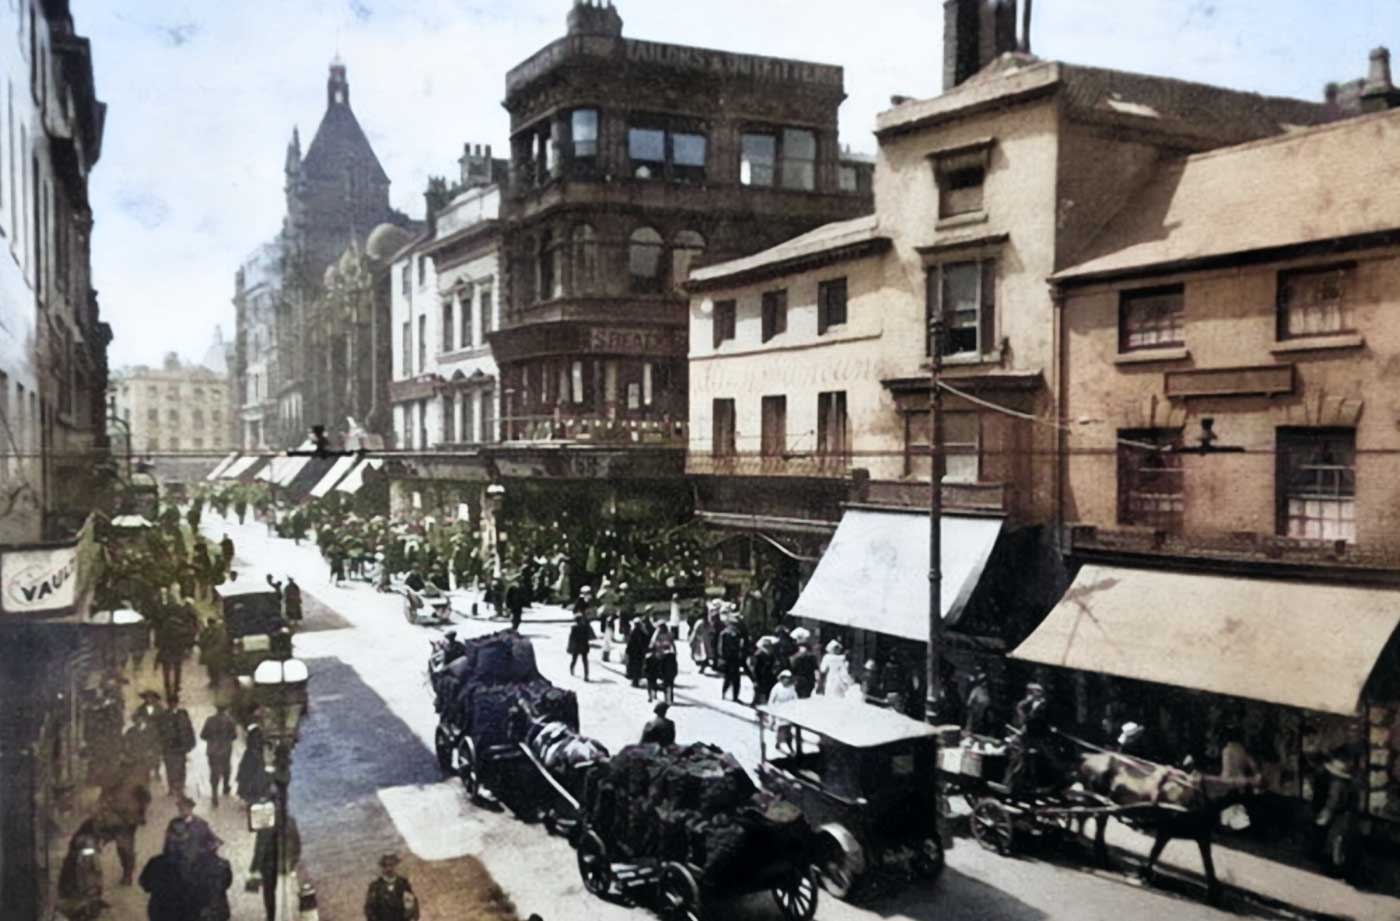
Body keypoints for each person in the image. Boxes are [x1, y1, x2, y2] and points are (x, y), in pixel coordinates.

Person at [163, 795, 219, 870]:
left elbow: (213, 840)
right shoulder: (174, 823)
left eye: (185, 808)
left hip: (198, 862)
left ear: (191, 809)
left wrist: (204, 851)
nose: (182, 811)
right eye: (180, 809)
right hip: (178, 862)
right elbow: (168, 843)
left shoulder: (201, 823)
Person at [201, 704, 238, 808]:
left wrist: (212, 739)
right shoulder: (230, 721)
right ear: (225, 709)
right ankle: (225, 787)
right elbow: (234, 736)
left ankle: (214, 793)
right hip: (225, 750)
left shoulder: (209, 720)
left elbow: (203, 735)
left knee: (214, 772)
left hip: (212, 750)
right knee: (226, 769)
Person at [158, 695, 196, 798]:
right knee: (170, 767)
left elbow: (189, 728)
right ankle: (171, 787)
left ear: (177, 704)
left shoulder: (183, 714)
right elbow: (160, 731)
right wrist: (160, 745)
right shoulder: (163, 715)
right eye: (170, 703)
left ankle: (180, 787)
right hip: (168, 745)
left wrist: (191, 742)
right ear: (168, 704)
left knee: (181, 767)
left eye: (174, 703)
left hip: (180, 745)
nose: (172, 705)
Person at [188, 838, 233, 921]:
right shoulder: (223, 863)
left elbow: (192, 883)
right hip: (219, 903)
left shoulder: (195, 864)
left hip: (202, 904)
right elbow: (228, 882)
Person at [364, 853, 419, 921]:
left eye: (392, 865)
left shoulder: (403, 884)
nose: (389, 868)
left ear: (396, 866)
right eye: (386, 865)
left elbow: (412, 906)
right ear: (382, 867)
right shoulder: (375, 886)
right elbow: (369, 909)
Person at [139, 850, 190, 921]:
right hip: (186, 912)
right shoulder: (197, 866)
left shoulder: (157, 861)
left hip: (159, 911)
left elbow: (145, 885)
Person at [236, 707, 270, 804]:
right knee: (253, 773)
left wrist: (265, 742)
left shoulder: (257, 726)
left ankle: (251, 793)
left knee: (252, 773)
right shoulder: (253, 725)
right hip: (253, 754)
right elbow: (253, 738)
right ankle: (251, 793)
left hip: (254, 753)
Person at [768, 671, 800, 752]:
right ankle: (779, 743)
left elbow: (795, 698)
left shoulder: (792, 687)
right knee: (781, 728)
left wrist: (796, 709)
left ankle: (789, 744)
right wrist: (772, 714)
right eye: (785, 678)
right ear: (781, 679)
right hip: (779, 710)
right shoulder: (777, 687)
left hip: (789, 711)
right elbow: (771, 701)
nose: (786, 680)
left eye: (788, 678)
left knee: (788, 729)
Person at [649, 622, 678, 705]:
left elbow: (653, 645)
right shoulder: (660, 634)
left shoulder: (664, 635)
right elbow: (653, 644)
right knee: (666, 681)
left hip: (662, 658)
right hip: (662, 657)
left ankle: (666, 698)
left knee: (666, 681)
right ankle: (665, 698)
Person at [718, 616, 745, 703]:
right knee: (728, 677)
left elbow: (740, 646)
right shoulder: (724, 634)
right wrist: (722, 658)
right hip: (727, 659)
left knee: (736, 679)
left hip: (735, 659)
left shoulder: (738, 634)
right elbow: (720, 647)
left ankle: (735, 696)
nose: (734, 626)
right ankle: (724, 693)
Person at [964, 669, 994, 736]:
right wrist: (974, 708)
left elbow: (989, 700)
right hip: (978, 710)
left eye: (986, 681)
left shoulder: (987, 690)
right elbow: (969, 702)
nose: (985, 683)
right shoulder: (976, 689)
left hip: (986, 710)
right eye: (983, 681)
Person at [749, 637, 778, 706]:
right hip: (760, 675)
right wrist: (754, 678)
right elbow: (754, 667)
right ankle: (756, 703)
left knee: (768, 690)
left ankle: (767, 702)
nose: (768, 647)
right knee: (759, 690)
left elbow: (773, 664)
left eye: (769, 645)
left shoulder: (772, 654)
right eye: (766, 646)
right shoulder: (758, 654)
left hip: (769, 675)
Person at [567, 610, 595, 682]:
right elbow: (590, 636)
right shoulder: (586, 626)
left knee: (574, 660)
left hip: (576, 646)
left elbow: (571, 638)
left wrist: (569, 648)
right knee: (585, 661)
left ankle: (572, 669)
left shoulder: (574, 628)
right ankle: (586, 675)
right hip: (584, 645)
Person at [624, 618, 649, 689]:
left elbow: (629, 644)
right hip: (640, 653)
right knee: (638, 667)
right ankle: (636, 681)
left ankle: (635, 682)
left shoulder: (633, 633)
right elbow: (646, 640)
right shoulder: (642, 632)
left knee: (634, 667)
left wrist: (627, 652)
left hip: (633, 654)